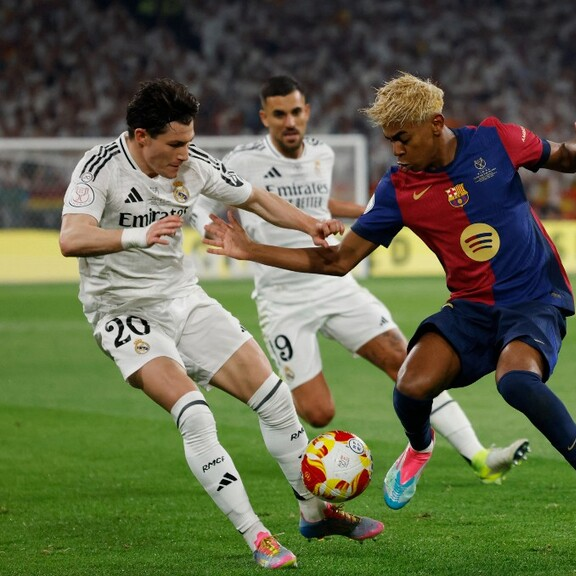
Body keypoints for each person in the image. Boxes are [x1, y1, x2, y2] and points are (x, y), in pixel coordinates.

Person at [204, 72, 576, 551]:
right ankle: (420, 447)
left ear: (435, 123)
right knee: (410, 385)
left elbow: (566, 158)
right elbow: (338, 261)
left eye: (403, 138)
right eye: (389, 140)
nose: (396, 150)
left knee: (516, 381)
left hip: (533, 297)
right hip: (471, 306)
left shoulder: (497, 139)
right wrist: (250, 250)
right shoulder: (398, 188)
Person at [58, 78, 383, 570]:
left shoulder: (193, 164)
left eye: (189, 141)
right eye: (175, 144)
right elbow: (72, 237)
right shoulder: (100, 166)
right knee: (195, 415)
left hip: (183, 300)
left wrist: (310, 224)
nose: (184, 153)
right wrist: (137, 236)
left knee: (275, 398)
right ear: (142, 136)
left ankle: (314, 513)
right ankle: (257, 536)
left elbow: (257, 198)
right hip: (123, 312)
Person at [190, 75, 529, 484]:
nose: (290, 122)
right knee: (318, 412)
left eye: (296, 112)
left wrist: (372, 213)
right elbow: (198, 198)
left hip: (335, 285)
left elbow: (318, 200)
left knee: (404, 360)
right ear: (265, 118)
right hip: (281, 298)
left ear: (307, 112)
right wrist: (208, 229)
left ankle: (479, 457)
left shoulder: (323, 153)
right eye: (279, 115)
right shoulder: (243, 160)